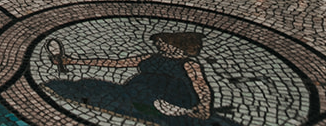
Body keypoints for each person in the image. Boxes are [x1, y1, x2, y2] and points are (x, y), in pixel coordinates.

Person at [44, 30, 237, 123]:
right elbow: (115, 63)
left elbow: (200, 85)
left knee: (152, 105)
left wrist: (204, 106)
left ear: (175, 44)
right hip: (140, 92)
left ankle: (172, 110)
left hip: (173, 96)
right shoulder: (150, 57)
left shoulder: (189, 64)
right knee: (92, 85)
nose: (158, 44)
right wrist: (71, 61)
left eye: (162, 41)